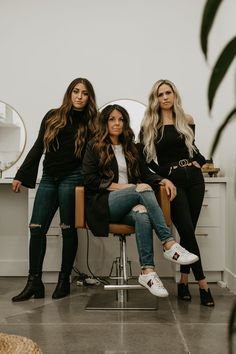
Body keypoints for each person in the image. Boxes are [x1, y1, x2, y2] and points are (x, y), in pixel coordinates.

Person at [82, 104, 199, 298]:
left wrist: (163, 179)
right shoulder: (94, 146)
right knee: (141, 190)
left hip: (130, 204)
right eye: (112, 119)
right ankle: (168, 243)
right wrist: (128, 188)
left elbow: (145, 174)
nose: (117, 123)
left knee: (142, 214)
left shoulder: (132, 148)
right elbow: (89, 180)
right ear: (104, 122)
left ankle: (148, 272)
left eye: (120, 119)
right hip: (104, 205)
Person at [11, 78, 98, 301]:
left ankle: (63, 280)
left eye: (85, 93)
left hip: (74, 177)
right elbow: (39, 145)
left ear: (89, 97)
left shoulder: (92, 122)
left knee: (67, 228)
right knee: (36, 227)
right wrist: (22, 174)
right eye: (76, 91)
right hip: (49, 177)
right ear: (69, 93)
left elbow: (96, 155)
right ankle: (34, 283)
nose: (79, 96)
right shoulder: (53, 116)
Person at [139, 79, 214, 306]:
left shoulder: (186, 120)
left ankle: (183, 280)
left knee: (189, 232)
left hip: (195, 180)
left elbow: (193, 149)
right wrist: (164, 175)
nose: (164, 97)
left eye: (168, 92)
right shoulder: (150, 125)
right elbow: (143, 161)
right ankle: (202, 283)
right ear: (155, 98)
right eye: (160, 94)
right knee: (188, 231)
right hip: (174, 183)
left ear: (174, 95)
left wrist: (200, 162)